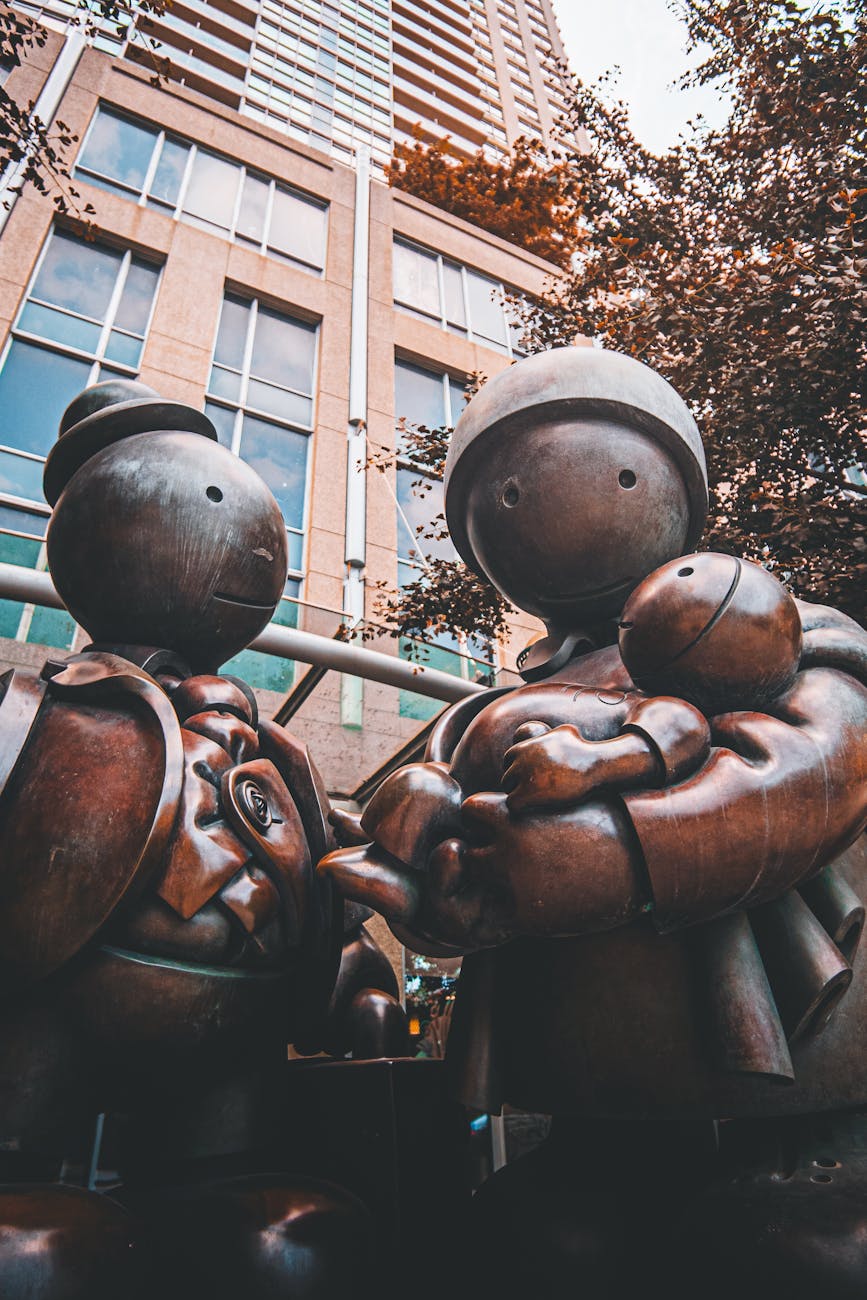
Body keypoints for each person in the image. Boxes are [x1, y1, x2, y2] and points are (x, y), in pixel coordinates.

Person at [320, 346, 867, 1299]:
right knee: (547, 1247)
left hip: (798, 1097)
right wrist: (439, 899)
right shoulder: (492, 711)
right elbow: (446, 851)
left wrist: (607, 855)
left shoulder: (768, 625)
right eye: (508, 485)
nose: (546, 494)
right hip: (589, 1095)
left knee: (794, 1253)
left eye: (610, 463)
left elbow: (814, 770)